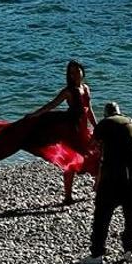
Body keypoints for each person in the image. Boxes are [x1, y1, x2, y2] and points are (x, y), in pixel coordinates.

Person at [78, 102, 132, 264]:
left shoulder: (104, 124)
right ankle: (129, 251)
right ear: (119, 112)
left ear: (106, 114)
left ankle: (97, 254)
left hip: (112, 177)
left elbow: (92, 145)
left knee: (102, 216)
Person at [25, 60, 99, 204]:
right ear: (69, 75)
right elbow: (52, 104)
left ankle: (97, 185)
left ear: (82, 71)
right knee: (71, 162)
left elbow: (89, 109)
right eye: (72, 72)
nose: (75, 74)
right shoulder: (68, 91)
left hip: (84, 128)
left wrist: (96, 126)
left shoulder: (86, 88)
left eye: (77, 71)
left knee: (96, 153)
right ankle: (68, 196)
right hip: (72, 129)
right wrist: (35, 114)